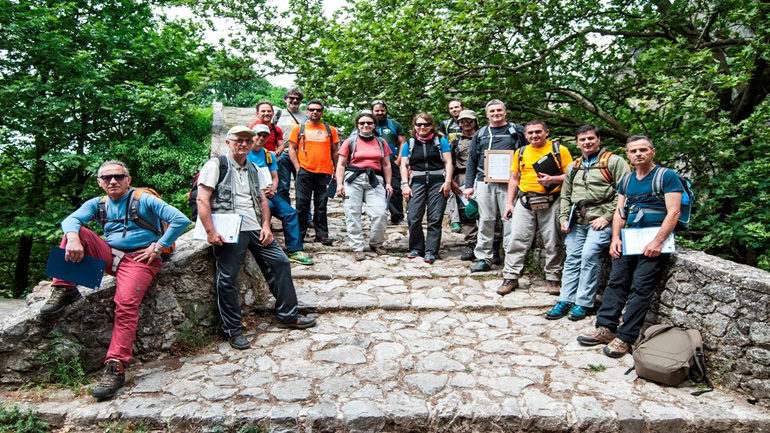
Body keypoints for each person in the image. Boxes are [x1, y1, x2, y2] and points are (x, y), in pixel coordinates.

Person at [40, 160, 190, 400]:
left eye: (119, 176)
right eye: (107, 177)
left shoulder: (143, 199)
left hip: (140, 259)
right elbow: (70, 221)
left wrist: (158, 246)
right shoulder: (97, 204)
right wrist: (74, 238)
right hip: (111, 256)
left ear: (128, 180)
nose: (113, 181)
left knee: (125, 305)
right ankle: (64, 288)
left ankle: (116, 366)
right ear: (100, 182)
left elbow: (181, 219)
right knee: (74, 232)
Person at [197, 125, 316, 352]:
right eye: (238, 140)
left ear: (252, 144)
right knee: (228, 278)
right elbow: (203, 200)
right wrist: (210, 232)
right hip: (229, 228)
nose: (243, 144)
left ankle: (287, 315)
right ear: (228, 142)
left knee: (280, 262)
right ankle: (233, 329)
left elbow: (262, 200)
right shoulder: (216, 165)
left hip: (254, 227)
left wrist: (266, 226)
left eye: (247, 141)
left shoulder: (253, 167)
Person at [577, 135, 683, 358]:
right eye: (634, 151)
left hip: (654, 240)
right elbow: (620, 211)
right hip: (629, 239)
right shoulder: (627, 180)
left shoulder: (666, 176)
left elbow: (674, 212)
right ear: (628, 155)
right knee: (616, 282)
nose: (638, 154)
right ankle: (606, 328)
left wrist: (657, 242)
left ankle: (625, 337)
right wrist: (615, 238)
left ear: (652, 152)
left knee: (640, 289)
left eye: (643, 149)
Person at [545, 125, 630, 321]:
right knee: (572, 258)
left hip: (601, 219)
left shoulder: (614, 162)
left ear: (598, 139)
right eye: (582, 139)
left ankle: (583, 302)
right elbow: (565, 195)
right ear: (577, 142)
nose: (587, 142)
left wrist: (607, 216)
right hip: (577, 220)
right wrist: (563, 218)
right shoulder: (573, 167)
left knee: (589, 254)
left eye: (590, 138)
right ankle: (565, 299)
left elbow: (624, 193)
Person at [499, 120, 574, 295]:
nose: (534, 135)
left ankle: (553, 278)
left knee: (553, 241)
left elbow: (571, 176)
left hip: (552, 200)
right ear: (525, 135)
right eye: (530, 133)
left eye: (538, 132)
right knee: (517, 238)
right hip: (525, 201)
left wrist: (552, 180)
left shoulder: (559, 150)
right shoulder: (521, 152)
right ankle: (510, 276)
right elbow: (514, 179)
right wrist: (509, 203)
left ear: (546, 132)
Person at [463, 99, 526, 272]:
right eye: (492, 112)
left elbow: (529, 153)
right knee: (485, 220)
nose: (496, 114)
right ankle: (484, 258)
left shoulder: (517, 131)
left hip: (510, 183)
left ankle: (511, 259)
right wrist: (469, 185)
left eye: (499, 110)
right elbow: (472, 161)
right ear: (487, 115)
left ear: (505, 112)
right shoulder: (481, 133)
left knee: (510, 220)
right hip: (485, 181)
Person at [247, 124, 314, 265]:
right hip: (251, 194)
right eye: (258, 135)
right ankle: (263, 246)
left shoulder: (268, 155)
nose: (261, 138)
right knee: (268, 208)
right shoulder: (245, 153)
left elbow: (275, 177)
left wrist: (273, 189)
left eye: (264, 136)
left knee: (290, 213)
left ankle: (294, 249)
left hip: (268, 193)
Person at [335, 113, 393, 261]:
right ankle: (357, 247)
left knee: (380, 213)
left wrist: (388, 183)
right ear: (357, 125)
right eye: (362, 123)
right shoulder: (350, 141)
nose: (365, 125)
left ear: (374, 125)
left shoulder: (381, 142)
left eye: (369, 122)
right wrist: (339, 184)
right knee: (352, 212)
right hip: (352, 181)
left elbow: (386, 164)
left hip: (375, 180)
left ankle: (376, 243)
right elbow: (341, 164)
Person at [401, 113, 453, 264]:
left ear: (431, 126)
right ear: (414, 126)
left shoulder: (440, 141)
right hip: (416, 182)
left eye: (426, 124)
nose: (422, 127)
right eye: (419, 125)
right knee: (414, 216)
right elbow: (403, 165)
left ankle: (431, 250)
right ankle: (417, 247)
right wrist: (405, 185)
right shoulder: (409, 144)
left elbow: (448, 162)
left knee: (435, 217)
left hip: (438, 182)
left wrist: (448, 181)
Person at [287, 100, 340, 245]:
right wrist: (297, 166)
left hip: (324, 172)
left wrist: (337, 171)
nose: (315, 112)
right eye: (311, 109)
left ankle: (322, 234)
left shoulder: (330, 130)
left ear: (322, 112)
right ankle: (299, 234)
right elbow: (292, 148)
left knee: (321, 205)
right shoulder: (298, 129)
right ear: (307, 111)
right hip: (305, 171)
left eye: (318, 110)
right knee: (302, 205)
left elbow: (335, 152)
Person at [450, 109, 480, 261]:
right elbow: (449, 162)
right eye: (462, 121)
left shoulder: (484, 137)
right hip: (461, 177)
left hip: (482, 176)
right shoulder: (455, 141)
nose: (466, 124)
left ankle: (491, 246)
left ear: (475, 121)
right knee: (466, 213)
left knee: (488, 212)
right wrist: (452, 181)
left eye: (469, 121)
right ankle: (472, 244)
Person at [371, 100, 407, 225]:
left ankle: (397, 217)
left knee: (395, 189)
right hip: (373, 163)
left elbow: (403, 142)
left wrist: (399, 160)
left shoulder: (394, 124)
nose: (380, 113)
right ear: (372, 112)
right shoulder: (366, 123)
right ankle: (376, 216)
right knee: (374, 189)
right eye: (377, 111)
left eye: (382, 110)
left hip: (392, 161)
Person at [273, 88, 309, 205]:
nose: (294, 101)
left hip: (302, 155)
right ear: (285, 100)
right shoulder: (278, 115)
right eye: (291, 98)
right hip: (283, 154)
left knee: (303, 187)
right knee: (283, 187)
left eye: (298, 99)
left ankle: (305, 217)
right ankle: (286, 216)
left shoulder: (306, 116)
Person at [440, 99, 465, 233]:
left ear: (462, 107)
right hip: (449, 159)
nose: (454, 110)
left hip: (464, 160)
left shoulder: (470, 122)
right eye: (451, 108)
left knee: (464, 190)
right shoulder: (446, 124)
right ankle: (455, 220)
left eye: (456, 107)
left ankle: (468, 218)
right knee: (449, 190)